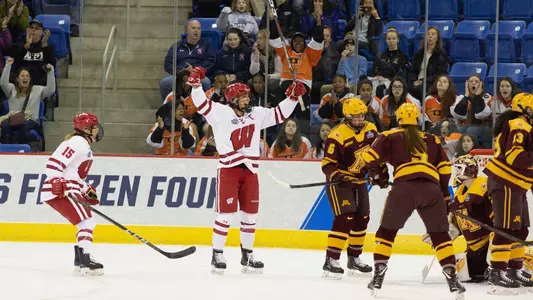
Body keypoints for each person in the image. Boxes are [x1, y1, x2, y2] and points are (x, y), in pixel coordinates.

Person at [187, 66, 306, 275]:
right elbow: (201, 104)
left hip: (250, 170)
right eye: (243, 97)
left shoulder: (257, 114)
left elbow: (279, 114)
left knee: (250, 215)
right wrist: (196, 85)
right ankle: (217, 253)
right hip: (229, 170)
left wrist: (293, 98)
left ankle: (247, 254)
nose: (247, 100)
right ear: (233, 99)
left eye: (247, 96)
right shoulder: (220, 113)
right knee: (225, 215)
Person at [362, 103, 465, 297]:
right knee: (440, 236)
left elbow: (369, 157)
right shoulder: (432, 139)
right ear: (418, 119)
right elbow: (444, 169)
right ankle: (452, 279)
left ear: (398, 118)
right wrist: (444, 195)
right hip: (431, 189)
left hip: (404, 189)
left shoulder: (389, 135)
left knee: (386, 233)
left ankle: (378, 275)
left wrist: (379, 175)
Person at [320, 98, 382, 279]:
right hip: (340, 183)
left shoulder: (371, 130)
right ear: (347, 116)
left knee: (362, 218)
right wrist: (338, 176)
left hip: (360, 181)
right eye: (355, 116)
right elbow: (327, 165)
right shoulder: (337, 135)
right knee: (345, 217)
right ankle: (331, 259)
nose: (359, 119)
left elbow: (377, 156)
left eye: (362, 115)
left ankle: (354, 258)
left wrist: (378, 173)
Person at [40, 113, 104, 276]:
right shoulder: (77, 142)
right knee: (87, 221)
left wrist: (86, 189)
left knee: (86, 222)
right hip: (64, 189)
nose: (97, 131)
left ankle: (81, 259)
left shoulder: (84, 146)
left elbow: (74, 175)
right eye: (94, 128)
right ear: (85, 129)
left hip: (69, 187)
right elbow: (54, 163)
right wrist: (56, 181)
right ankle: (85, 260)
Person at [483, 92, 533, 294]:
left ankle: (514, 270)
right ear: (525, 109)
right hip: (506, 183)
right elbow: (516, 157)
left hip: (516, 184)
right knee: (505, 229)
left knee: (520, 230)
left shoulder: (523, 126)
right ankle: (497, 272)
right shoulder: (519, 125)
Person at [428, 154, 491, 283]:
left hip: (489, 242)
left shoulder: (484, 186)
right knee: (466, 276)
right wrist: (443, 234)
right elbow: (457, 222)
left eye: (458, 168)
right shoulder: (459, 192)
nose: (455, 171)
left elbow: (497, 215)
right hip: (473, 246)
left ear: (469, 169)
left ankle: (516, 262)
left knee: (497, 252)